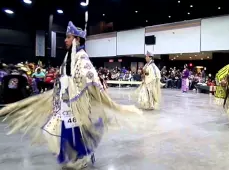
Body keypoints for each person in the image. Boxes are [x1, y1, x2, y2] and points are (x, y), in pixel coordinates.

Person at [0, 21, 143, 169]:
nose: (65, 40)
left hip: (76, 104)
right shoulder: (70, 57)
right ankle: (73, 158)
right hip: (66, 104)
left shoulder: (81, 57)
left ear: (77, 39)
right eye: (66, 37)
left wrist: (90, 92)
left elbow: (90, 77)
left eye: (68, 37)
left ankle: (78, 159)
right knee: (66, 131)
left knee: (74, 132)